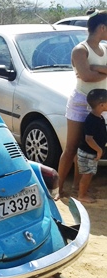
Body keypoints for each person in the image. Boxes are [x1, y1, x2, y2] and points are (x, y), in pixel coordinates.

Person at [57, 9, 107, 197]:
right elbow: (86, 76)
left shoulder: (104, 49)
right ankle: (58, 189)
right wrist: (98, 70)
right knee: (71, 149)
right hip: (80, 103)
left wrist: (95, 67)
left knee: (87, 149)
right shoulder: (80, 49)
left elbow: (89, 72)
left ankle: (78, 187)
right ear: (102, 27)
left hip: (101, 105)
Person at [76, 88, 107, 203]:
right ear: (102, 105)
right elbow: (88, 139)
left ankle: (84, 191)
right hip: (88, 153)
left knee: (89, 174)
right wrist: (99, 150)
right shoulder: (92, 120)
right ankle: (81, 195)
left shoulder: (99, 118)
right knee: (87, 175)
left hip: (91, 153)